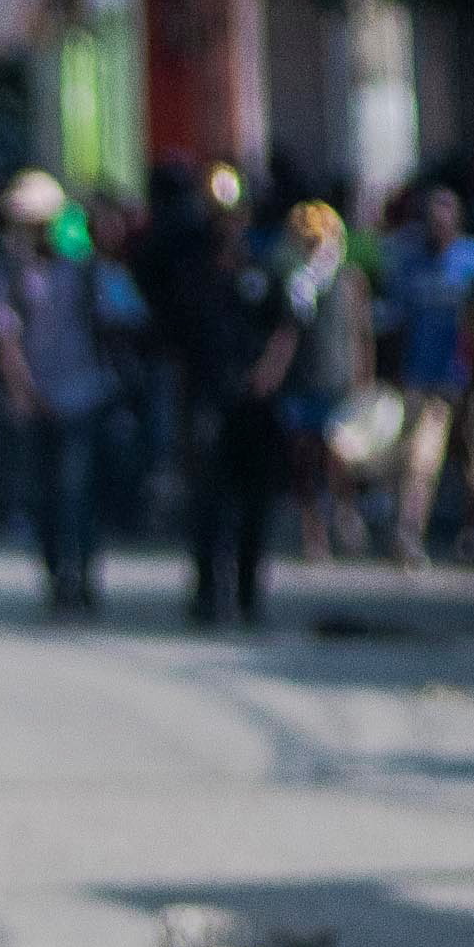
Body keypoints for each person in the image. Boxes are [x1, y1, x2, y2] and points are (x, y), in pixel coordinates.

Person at [0, 171, 124, 615]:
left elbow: (116, 320)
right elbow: (6, 339)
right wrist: (23, 390)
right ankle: (57, 574)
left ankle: (83, 574)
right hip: (36, 400)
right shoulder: (7, 275)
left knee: (79, 491)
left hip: (83, 394)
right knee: (45, 494)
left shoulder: (82, 270)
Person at [163, 182, 299, 627]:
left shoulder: (263, 275)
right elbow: (181, 349)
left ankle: (248, 594)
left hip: (255, 410)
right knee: (208, 505)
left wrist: (269, 374)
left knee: (254, 506)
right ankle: (207, 594)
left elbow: (286, 329)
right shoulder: (194, 278)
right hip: (209, 403)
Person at [380, 182, 474, 568]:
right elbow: (396, 321)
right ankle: (409, 537)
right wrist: (396, 372)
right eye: (431, 216)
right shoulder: (408, 262)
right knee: (419, 463)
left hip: (469, 380)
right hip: (423, 379)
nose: (437, 223)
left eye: (445, 215)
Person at [273, 200, 373, 561]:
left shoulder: (350, 279)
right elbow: (286, 335)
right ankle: (313, 532)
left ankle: (346, 513)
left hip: (340, 381)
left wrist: (365, 378)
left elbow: (363, 332)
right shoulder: (294, 283)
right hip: (302, 383)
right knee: (303, 461)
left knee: (339, 458)